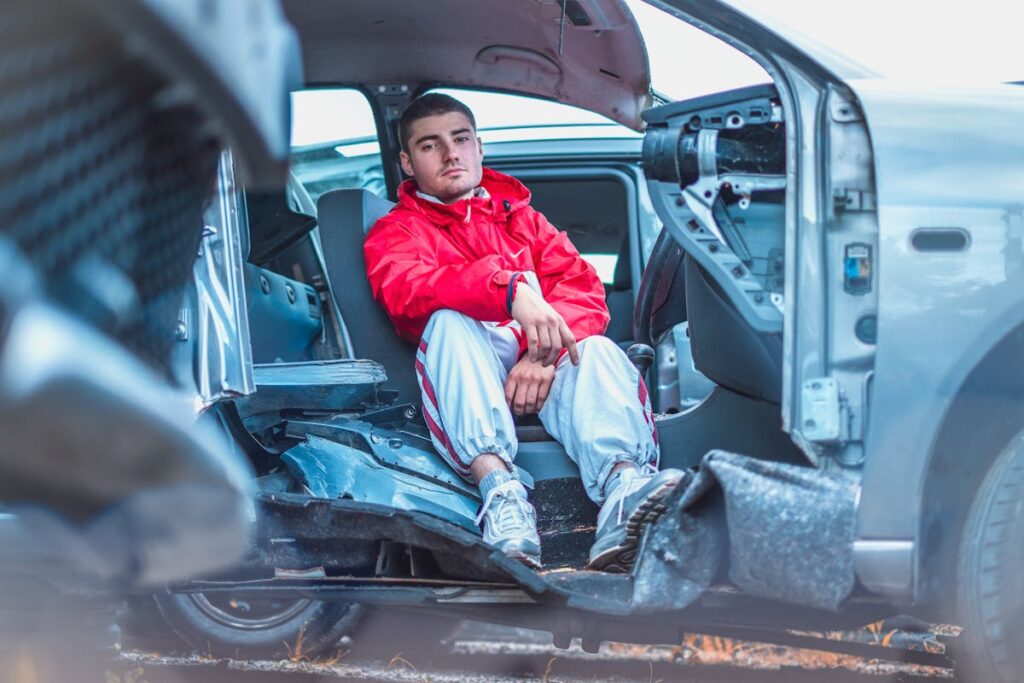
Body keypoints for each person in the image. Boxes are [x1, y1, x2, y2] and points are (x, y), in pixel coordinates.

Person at [364, 93, 684, 571]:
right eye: (431, 146)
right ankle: (502, 497)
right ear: (408, 163)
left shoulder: (524, 221)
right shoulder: (397, 232)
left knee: (594, 348)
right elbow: (408, 295)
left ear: (480, 148)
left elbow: (584, 292)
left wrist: (539, 356)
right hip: (467, 380)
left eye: (461, 139)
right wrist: (508, 289)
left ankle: (623, 493)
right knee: (450, 321)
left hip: (540, 374)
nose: (451, 154)